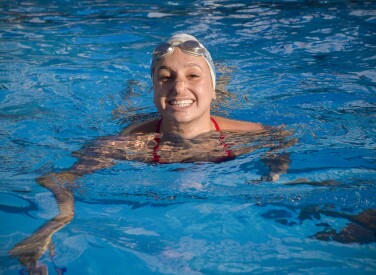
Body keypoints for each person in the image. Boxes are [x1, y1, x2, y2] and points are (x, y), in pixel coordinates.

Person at [9, 33, 295, 273]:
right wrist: (58, 221)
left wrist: (277, 169)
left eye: (193, 75)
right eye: (165, 78)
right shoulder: (130, 144)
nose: (178, 86)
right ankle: (131, 94)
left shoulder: (248, 135)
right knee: (125, 113)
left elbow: (283, 138)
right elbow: (57, 178)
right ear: (155, 88)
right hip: (145, 124)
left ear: (213, 89)